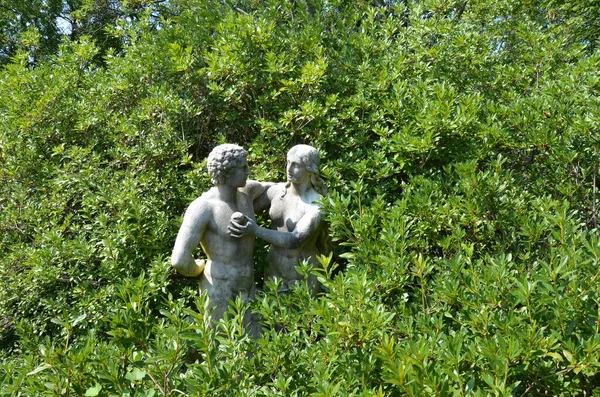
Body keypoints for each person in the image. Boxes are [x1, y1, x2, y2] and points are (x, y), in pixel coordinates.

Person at [171, 144, 271, 333]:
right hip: (219, 289)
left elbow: (276, 188)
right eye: (243, 167)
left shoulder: (247, 193)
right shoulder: (203, 207)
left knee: (255, 347)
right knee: (224, 349)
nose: (248, 171)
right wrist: (199, 268)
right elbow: (179, 260)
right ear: (227, 172)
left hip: (248, 287)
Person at [229, 144, 329, 294]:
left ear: (310, 169)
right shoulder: (277, 192)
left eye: (296, 165)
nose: (289, 169)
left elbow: (294, 240)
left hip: (303, 274)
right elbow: (246, 200)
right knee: (271, 315)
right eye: (288, 162)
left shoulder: (316, 205)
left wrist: (255, 230)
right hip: (274, 271)